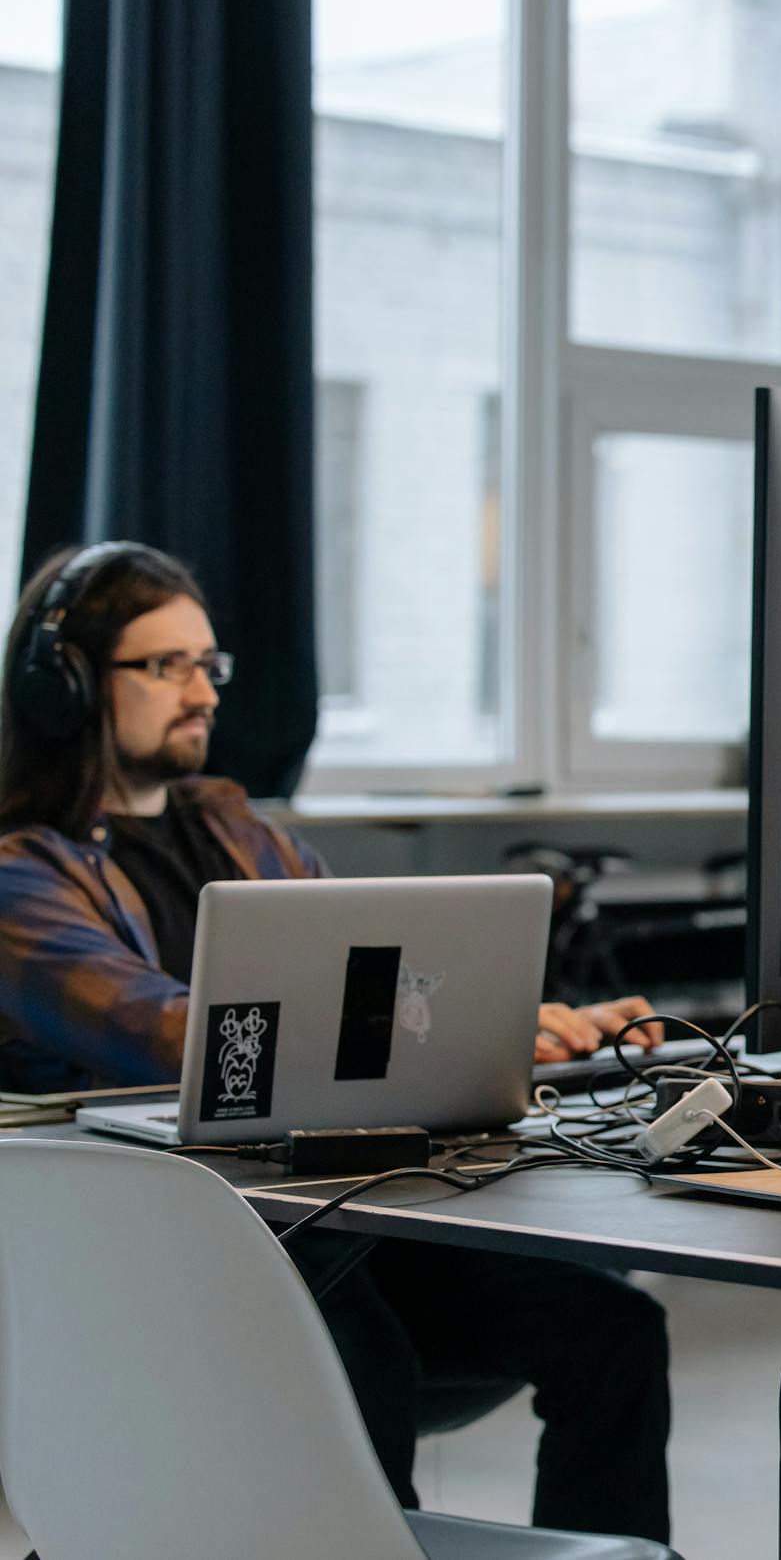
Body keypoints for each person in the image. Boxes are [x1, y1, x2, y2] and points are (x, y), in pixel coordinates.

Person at [0, 542, 675, 1542]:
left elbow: (376, 988)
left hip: (328, 1214)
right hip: (170, 1245)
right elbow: (174, 1037)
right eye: (167, 665)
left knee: (611, 1328)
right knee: (357, 1348)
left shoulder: (239, 830)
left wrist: (515, 1030)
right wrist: (405, 1023)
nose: (204, 692)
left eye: (209, 665)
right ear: (65, 685)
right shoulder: (20, 876)